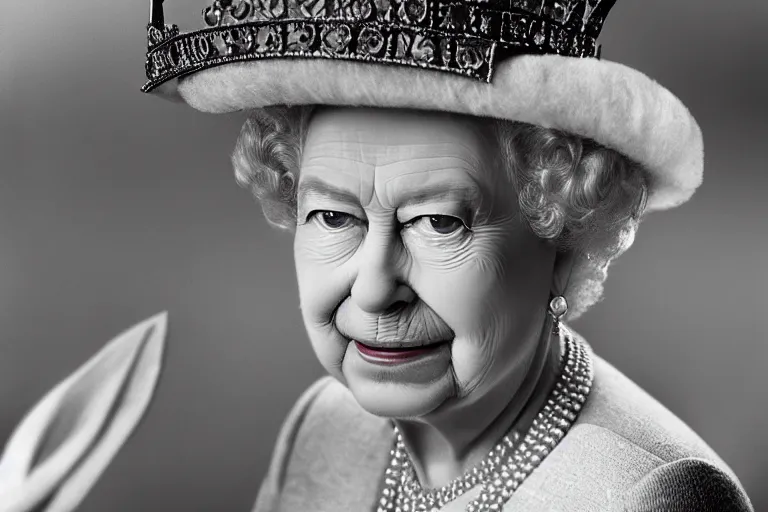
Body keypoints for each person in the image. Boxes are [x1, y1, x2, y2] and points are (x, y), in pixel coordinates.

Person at [0, 0, 754, 511]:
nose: (373, 288)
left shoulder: (646, 494)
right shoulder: (326, 428)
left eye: (438, 224)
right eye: (333, 215)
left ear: (562, 235)